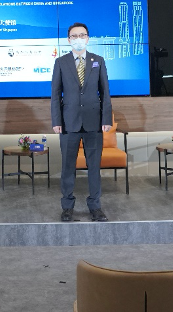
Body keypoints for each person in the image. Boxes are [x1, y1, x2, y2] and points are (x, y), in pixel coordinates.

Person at [51, 22, 112, 223]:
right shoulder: (61, 62)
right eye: (74, 36)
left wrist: (106, 119)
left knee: (94, 167)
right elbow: (55, 94)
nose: (78, 39)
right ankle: (67, 206)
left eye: (82, 35)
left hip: (94, 122)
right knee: (68, 167)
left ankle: (95, 206)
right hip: (69, 122)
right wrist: (56, 120)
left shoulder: (98, 61)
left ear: (88, 38)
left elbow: (105, 92)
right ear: (69, 40)